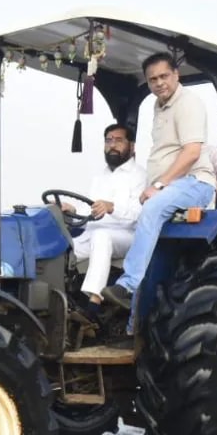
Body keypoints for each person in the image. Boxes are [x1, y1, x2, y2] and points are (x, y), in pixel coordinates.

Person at [100, 52, 217, 311]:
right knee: (133, 221)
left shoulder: (188, 103)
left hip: (193, 183)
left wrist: (159, 185)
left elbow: (191, 152)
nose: (159, 83)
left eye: (164, 76)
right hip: (172, 186)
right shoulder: (159, 105)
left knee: (151, 208)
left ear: (176, 74)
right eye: (152, 79)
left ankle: (127, 286)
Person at [63, 122, 148, 322]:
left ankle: (93, 306)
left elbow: (139, 213)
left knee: (102, 237)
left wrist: (112, 207)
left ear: (132, 146)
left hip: (127, 236)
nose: (112, 145)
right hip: (93, 232)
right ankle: (62, 303)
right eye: (108, 140)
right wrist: (73, 211)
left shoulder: (141, 176)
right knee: (62, 248)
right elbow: (91, 209)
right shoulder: (99, 177)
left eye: (119, 140)